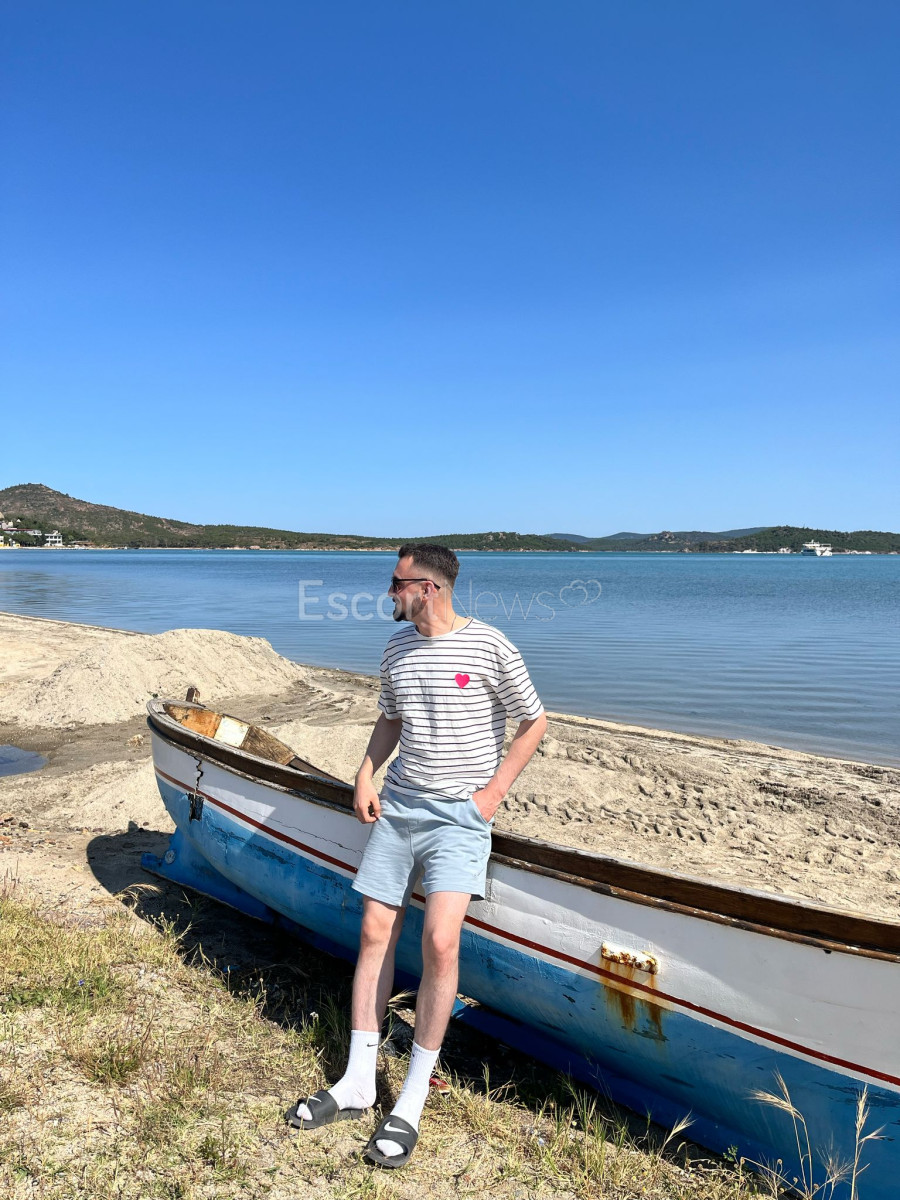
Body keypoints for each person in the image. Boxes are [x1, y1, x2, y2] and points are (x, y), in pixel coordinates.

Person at [287, 543, 547, 1168]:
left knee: (440, 942)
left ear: (428, 588)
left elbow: (534, 720)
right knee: (375, 931)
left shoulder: (490, 646)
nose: (389, 593)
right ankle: (357, 1082)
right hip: (399, 808)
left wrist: (492, 794)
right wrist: (365, 773)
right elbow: (391, 720)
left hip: (460, 818)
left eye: (396, 582)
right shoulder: (397, 647)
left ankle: (410, 1100)